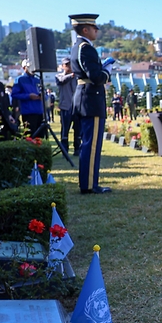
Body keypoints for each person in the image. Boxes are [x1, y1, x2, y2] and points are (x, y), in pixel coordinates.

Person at [70, 13, 111, 194]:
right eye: (94, 28)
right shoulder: (86, 48)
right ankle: (88, 185)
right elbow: (95, 76)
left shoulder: (78, 46)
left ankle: (88, 183)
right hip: (90, 99)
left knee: (89, 143)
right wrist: (106, 72)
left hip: (85, 97)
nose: (97, 31)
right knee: (92, 145)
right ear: (85, 29)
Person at [11, 58, 44, 137]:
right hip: (28, 111)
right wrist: (28, 96)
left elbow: (44, 93)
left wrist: (43, 96)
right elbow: (14, 94)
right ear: (24, 68)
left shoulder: (38, 80)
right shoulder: (19, 80)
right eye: (29, 67)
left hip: (39, 110)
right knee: (30, 135)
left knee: (40, 136)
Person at [55, 57, 81, 155]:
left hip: (76, 107)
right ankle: (64, 149)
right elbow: (61, 81)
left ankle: (77, 148)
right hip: (65, 107)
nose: (68, 67)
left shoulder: (76, 77)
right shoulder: (59, 76)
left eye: (70, 64)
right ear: (62, 66)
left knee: (78, 130)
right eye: (66, 65)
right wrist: (71, 75)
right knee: (65, 130)